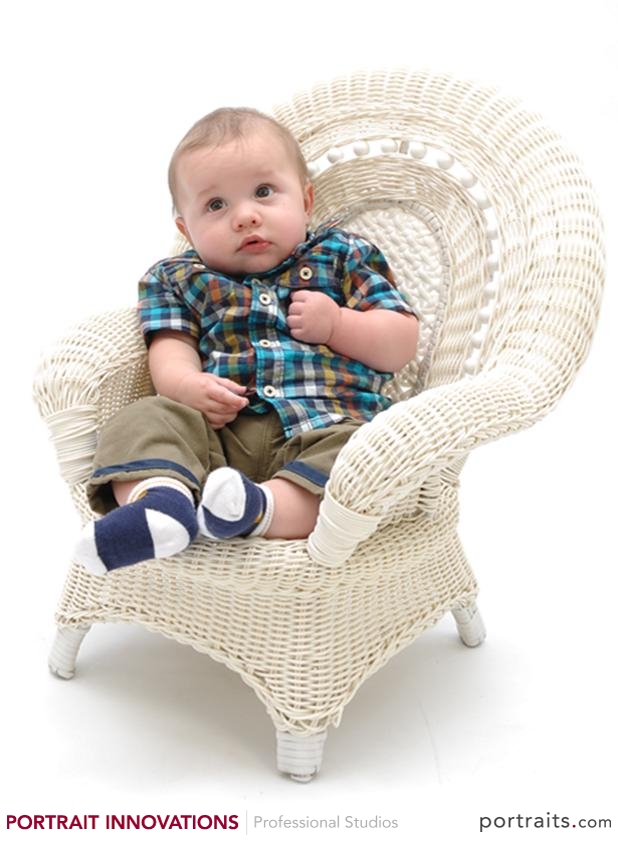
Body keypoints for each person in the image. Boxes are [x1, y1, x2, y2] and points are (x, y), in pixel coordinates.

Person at [75, 107, 419, 576]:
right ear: (186, 229)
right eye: (216, 205)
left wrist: (338, 324)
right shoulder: (178, 279)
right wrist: (186, 387)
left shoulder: (343, 256)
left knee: (365, 457)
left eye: (263, 192)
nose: (245, 217)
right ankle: (161, 503)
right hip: (218, 435)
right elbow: (169, 349)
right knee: (141, 418)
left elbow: (400, 343)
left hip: (327, 425)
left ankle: (257, 509)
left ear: (305, 200)